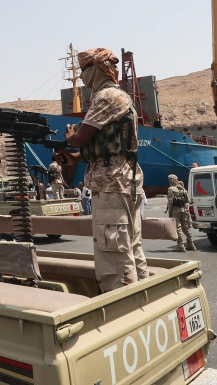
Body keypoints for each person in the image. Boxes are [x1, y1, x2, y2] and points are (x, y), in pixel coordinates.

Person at [55, 47, 148, 291]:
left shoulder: (106, 96)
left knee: (113, 253)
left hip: (111, 185)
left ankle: (122, 305)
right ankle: (144, 297)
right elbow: (108, 146)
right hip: (123, 181)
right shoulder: (117, 95)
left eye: (85, 70)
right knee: (131, 247)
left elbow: (80, 138)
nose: (83, 77)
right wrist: (74, 158)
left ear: (95, 71)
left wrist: (70, 137)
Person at [165, 174, 195, 252]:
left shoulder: (171, 189)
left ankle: (181, 245)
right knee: (185, 227)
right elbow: (187, 200)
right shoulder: (183, 189)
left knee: (177, 227)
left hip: (176, 210)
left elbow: (170, 201)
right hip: (184, 210)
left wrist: (170, 212)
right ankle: (191, 243)